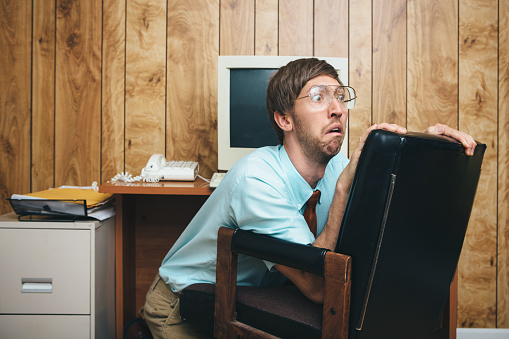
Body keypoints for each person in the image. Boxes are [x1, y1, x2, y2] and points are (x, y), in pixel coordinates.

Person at [141, 58, 477, 338]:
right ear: (284, 119)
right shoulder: (255, 180)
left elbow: (391, 206)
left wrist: (428, 152)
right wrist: (344, 188)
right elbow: (318, 287)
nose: (337, 110)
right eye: (318, 97)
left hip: (255, 296)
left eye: (341, 97)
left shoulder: (335, 167)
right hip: (184, 304)